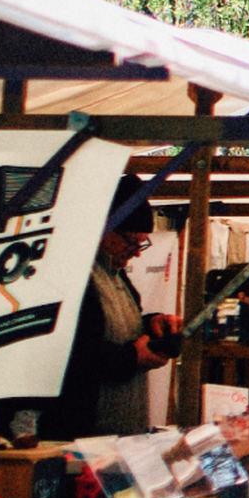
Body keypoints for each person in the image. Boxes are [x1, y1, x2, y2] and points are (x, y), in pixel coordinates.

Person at [55, 186, 182, 437]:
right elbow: (70, 354)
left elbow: (115, 331)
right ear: (105, 229)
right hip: (83, 432)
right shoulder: (72, 277)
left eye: (141, 243)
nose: (136, 252)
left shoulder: (116, 274)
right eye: (131, 241)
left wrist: (152, 324)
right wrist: (130, 359)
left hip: (122, 431)